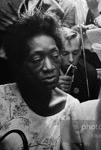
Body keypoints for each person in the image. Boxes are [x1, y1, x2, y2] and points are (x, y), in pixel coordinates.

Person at [0, 12, 82, 149]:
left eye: (55, 56)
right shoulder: (2, 99)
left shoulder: (71, 109)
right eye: (37, 60)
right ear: (19, 64)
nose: (49, 67)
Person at [58, 27, 100, 102]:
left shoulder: (89, 73)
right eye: (65, 53)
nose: (71, 59)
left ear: (80, 51)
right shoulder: (48, 73)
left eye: (75, 53)